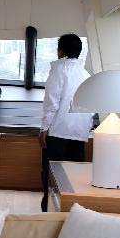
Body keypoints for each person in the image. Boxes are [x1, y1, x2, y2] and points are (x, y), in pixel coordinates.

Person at [40, 34, 93, 211]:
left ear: (61, 50)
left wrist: (44, 128)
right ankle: (72, 212)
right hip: (79, 133)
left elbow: (52, 101)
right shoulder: (86, 74)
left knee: (52, 176)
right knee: (74, 178)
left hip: (58, 132)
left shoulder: (59, 69)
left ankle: (48, 210)